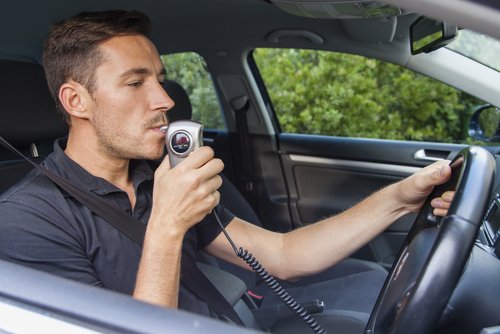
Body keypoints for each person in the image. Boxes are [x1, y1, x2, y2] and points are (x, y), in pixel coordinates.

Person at [0, 10, 453, 329]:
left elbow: (283, 257)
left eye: (159, 78)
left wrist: (397, 200)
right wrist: (167, 227)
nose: (164, 100)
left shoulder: (157, 177)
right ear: (76, 101)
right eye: (136, 82)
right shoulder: (27, 219)